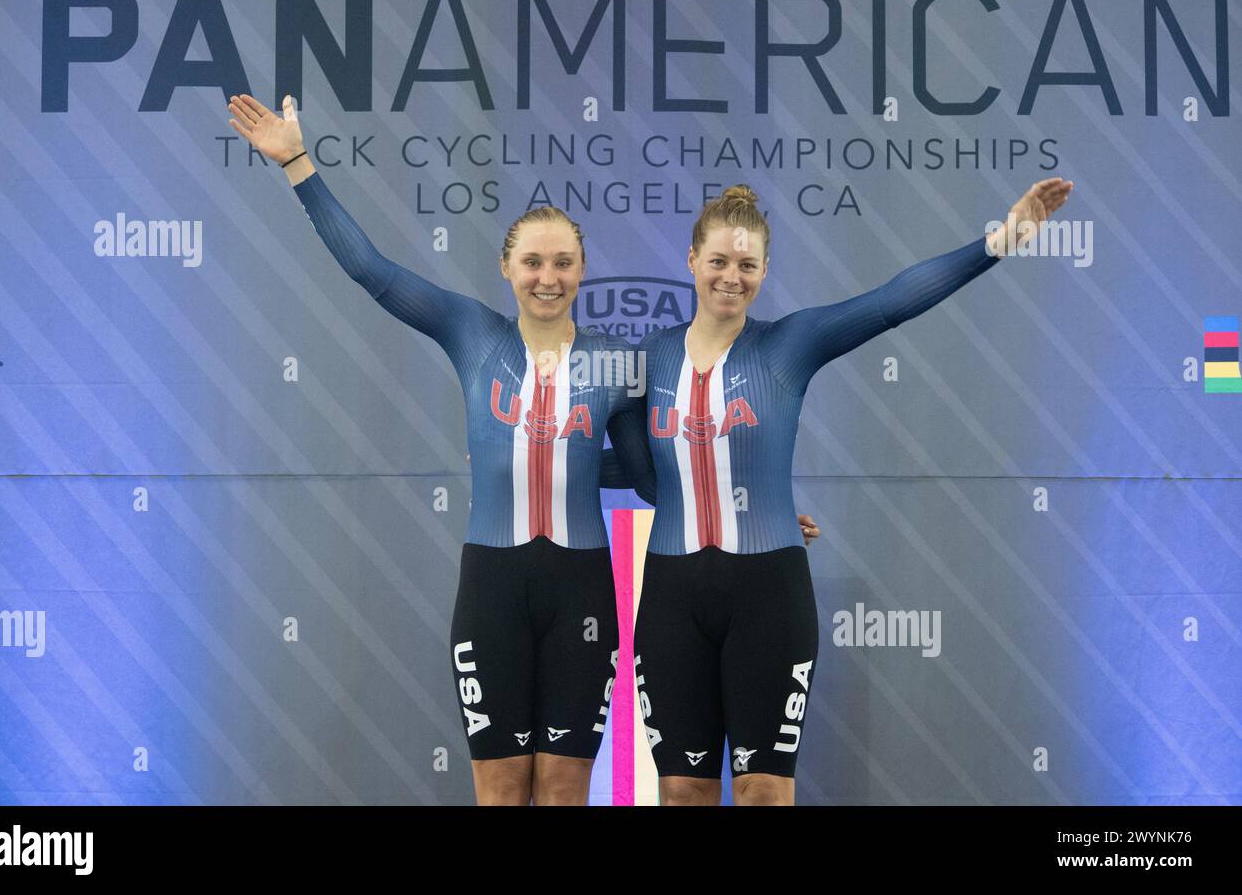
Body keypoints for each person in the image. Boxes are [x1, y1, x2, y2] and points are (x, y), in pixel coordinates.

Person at [225, 93, 819, 805]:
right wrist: (298, 163)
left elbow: (647, 474)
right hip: (492, 588)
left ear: (582, 271)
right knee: (503, 790)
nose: (548, 277)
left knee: (566, 788)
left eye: (564, 263)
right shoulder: (471, 334)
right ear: (506, 269)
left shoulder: (614, 364)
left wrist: (747, 502)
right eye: (533, 262)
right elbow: (372, 273)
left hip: (584, 591)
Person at [627, 179, 1072, 805]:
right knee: (681, 793)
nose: (732, 277)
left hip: (767, 595)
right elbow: (639, 467)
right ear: (691, 261)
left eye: (747, 265)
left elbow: (893, 300)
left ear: (765, 269)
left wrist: (1002, 240)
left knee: (762, 792)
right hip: (672, 599)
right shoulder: (649, 358)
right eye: (719, 262)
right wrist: (515, 456)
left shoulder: (790, 343)